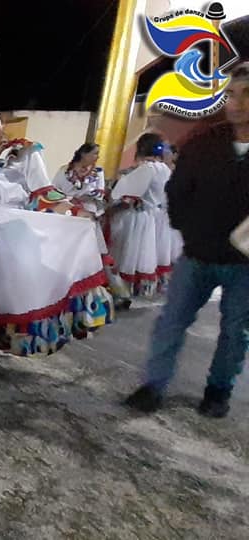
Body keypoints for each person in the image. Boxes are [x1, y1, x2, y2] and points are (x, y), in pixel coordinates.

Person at [124, 63, 249, 418]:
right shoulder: (205, 142)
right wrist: (189, 229)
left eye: (247, 95)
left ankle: (218, 390)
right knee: (172, 321)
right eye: (232, 95)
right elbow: (177, 189)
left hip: (244, 264)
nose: (237, 103)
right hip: (196, 255)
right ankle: (153, 386)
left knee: (235, 331)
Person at [0, 103, 112, 355]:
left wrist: (74, 212)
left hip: (12, 233)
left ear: (1, 122)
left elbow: (43, 192)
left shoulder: (24, 152)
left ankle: (9, 339)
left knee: (9, 287)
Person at [53, 143, 131, 307]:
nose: (97, 157)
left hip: (88, 217)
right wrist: (70, 201)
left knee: (95, 254)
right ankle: (65, 293)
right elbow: (54, 192)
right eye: (95, 153)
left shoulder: (98, 173)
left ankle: (113, 293)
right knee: (69, 254)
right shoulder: (64, 171)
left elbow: (99, 195)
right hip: (69, 216)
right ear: (83, 153)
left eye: (98, 154)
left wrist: (85, 202)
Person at [107, 134, 171, 297]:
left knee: (126, 253)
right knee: (140, 254)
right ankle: (134, 289)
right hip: (151, 215)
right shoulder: (164, 168)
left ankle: (121, 290)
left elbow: (126, 194)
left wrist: (110, 204)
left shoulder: (147, 168)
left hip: (135, 216)